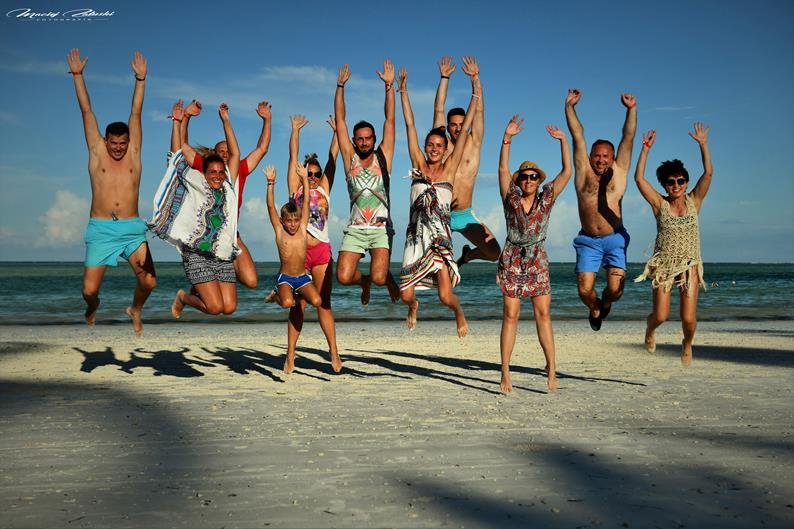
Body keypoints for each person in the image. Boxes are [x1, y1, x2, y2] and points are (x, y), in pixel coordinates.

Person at [67, 48, 156, 336]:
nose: (118, 148)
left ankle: (135, 309)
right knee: (88, 290)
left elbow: (136, 113)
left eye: (122, 143)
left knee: (149, 282)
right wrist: (78, 75)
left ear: (129, 142)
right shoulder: (97, 153)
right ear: (105, 141)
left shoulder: (134, 154)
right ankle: (93, 306)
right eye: (113, 143)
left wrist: (140, 80)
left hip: (131, 229)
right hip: (101, 229)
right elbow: (87, 111)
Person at [396, 63, 479, 338]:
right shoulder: (418, 163)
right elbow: (409, 125)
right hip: (415, 238)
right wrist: (403, 92)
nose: (434, 149)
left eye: (439, 146)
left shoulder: (450, 169)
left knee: (445, 296)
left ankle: (459, 312)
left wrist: (474, 90)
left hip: (439, 239)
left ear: (445, 150)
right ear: (425, 146)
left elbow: (464, 131)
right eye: (430, 145)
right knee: (405, 295)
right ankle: (414, 306)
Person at [496, 116, 572, 394]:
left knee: (543, 314)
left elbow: (567, 172)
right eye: (524, 176)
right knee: (510, 315)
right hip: (512, 259)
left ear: (539, 180)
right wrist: (507, 138)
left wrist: (563, 141)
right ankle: (505, 372)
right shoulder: (511, 197)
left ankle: (551, 369)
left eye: (533, 177)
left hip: (537, 260)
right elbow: (502, 168)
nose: (529, 180)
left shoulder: (547, 197)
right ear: (519, 180)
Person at [633, 123, 713, 366]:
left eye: (680, 180)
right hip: (664, 265)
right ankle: (650, 330)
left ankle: (687, 343)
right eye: (671, 182)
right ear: (665, 185)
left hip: (689, 264)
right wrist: (645, 150)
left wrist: (703, 144)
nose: (676, 185)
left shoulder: (694, 201)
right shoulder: (660, 204)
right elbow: (639, 179)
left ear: (686, 182)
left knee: (688, 318)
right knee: (661, 315)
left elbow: (708, 174)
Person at [152, 101, 241, 318]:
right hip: (196, 253)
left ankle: (196, 292)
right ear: (204, 172)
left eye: (221, 172)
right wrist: (181, 121)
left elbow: (235, 154)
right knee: (214, 308)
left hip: (222, 254)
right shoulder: (196, 183)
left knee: (229, 308)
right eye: (212, 172)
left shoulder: (229, 185)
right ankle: (183, 297)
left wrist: (226, 121)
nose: (217, 176)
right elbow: (177, 155)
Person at [565, 89, 637, 331]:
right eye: (596, 155)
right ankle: (595, 308)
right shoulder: (583, 171)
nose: (601, 159)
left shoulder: (620, 171)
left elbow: (628, 138)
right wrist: (570, 107)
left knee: (615, 290)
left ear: (613, 157)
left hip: (615, 238)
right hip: (588, 240)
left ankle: (605, 302)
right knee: (584, 290)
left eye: (606, 156)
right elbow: (577, 135)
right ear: (590, 157)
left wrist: (631, 110)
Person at [181, 98, 272, 289]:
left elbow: (262, 149)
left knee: (251, 281)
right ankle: (203, 286)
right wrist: (186, 118)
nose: (224, 154)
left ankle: (212, 280)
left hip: (231, 234)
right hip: (207, 235)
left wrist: (267, 120)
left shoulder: (241, 169)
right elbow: (183, 147)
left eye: (227, 151)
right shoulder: (205, 169)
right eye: (220, 151)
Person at [334, 61, 401, 305]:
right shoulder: (349, 157)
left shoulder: (383, 156)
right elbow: (340, 119)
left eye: (368, 138)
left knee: (380, 277)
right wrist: (340, 86)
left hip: (380, 229)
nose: (364, 142)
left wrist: (388, 86)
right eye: (360, 139)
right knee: (343, 277)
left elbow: (390, 120)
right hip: (355, 228)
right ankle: (363, 281)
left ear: (374, 139)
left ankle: (382, 279)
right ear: (354, 140)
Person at [279, 114, 342, 373]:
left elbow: (333, 158)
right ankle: (290, 355)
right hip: (300, 253)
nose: (313, 176)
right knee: (299, 304)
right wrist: (295, 130)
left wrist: (337, 132)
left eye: (316, 173)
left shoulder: (325, 187)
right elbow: (292, 157)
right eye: (310, 173)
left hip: (322, 251)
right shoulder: (296, 187)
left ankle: (334, 353)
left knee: (324, 302)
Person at [432, 56, 501, 267]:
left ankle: (467, 256)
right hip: (441, 213)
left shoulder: (474, 142)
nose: (458, 128)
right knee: (434, 261)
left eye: (462, 124)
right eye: (453, 125)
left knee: (494, 252)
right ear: (448, 126)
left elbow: (479, 110)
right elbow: (439, 109)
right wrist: (444, 78)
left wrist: (475, 78)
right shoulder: (443, 145)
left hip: (464, 214)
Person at [263, 164, 327, 374]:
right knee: (287, 303)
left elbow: (306, 202)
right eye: (288, 221)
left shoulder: (302, 228)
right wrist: (270, 183)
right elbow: (271, 207)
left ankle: (289, 295)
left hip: (302, 278)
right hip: (285, 278)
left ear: (300, 220)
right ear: (282, 221)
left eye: (295, 220)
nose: (292, 224)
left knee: (317, 301)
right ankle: (277, 295)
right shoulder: (279, 230)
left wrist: (304, 179)